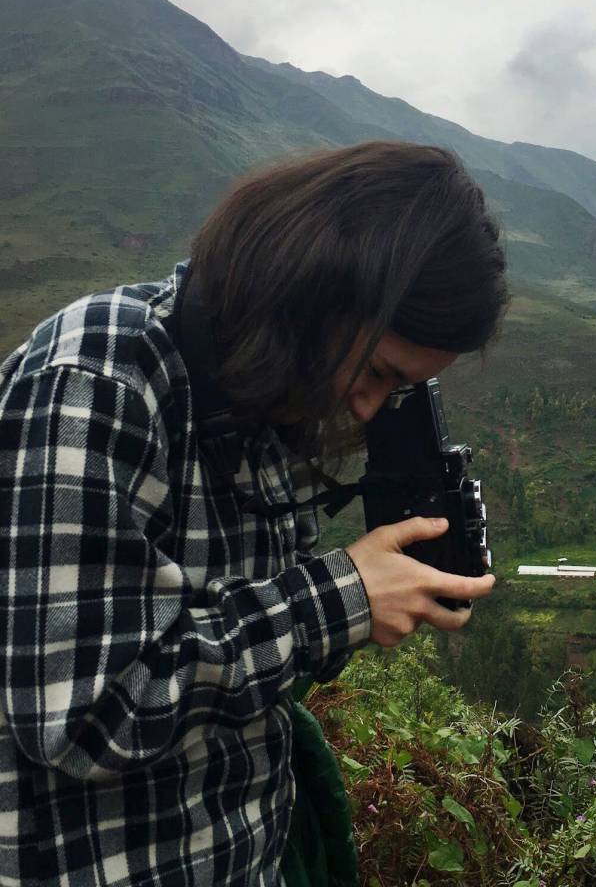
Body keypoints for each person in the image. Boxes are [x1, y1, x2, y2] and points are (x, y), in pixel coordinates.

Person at [0, 141, 508, 886]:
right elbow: (82, 715)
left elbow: (235, 636)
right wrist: (340, 600)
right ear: (315, 288)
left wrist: (370, 596)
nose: (367, 408)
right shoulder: (100, 380)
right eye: (376, 373)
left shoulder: (255, 400)